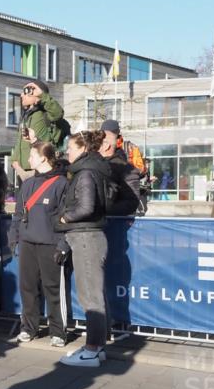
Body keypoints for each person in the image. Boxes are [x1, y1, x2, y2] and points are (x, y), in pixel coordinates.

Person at [56, 131, 111, 368]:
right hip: (87, 236)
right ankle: (96, 347)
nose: (67, 151)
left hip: (86, 237)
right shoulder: (90, 170)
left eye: (70, 147)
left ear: (82, 149)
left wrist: (65, 218)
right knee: (92, 295)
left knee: (91, 297)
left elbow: (87, 207)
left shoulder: (86, 172)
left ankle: (91, 350)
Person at [8, 142, 68, 348]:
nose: (28, 159)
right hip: (28, 242)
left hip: (50, 243)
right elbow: (18, 214)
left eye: (32, 155)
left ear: (43, 158)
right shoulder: (27, 184)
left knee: (53, 289)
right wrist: (13, 237)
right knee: (27, 287)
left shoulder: (61, 183)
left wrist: (63, 244)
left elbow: (66, 217)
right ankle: (28, 328)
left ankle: (58, 331)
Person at [10, 79, 66, 182]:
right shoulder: (25, 116)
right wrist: (14, 161)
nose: (22, 95)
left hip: (40, 170)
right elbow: (20, 142)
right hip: (22, 171)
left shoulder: (45, 113)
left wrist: (42, 96)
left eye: (26, 92)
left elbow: (58, 113)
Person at [100, 128, 141, 216]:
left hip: (111, 221)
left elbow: (131, 202)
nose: (93, 147)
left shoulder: (126, 169)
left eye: (97, 143)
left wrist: (102, 211)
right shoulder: (94, 164)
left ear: (106, 146)